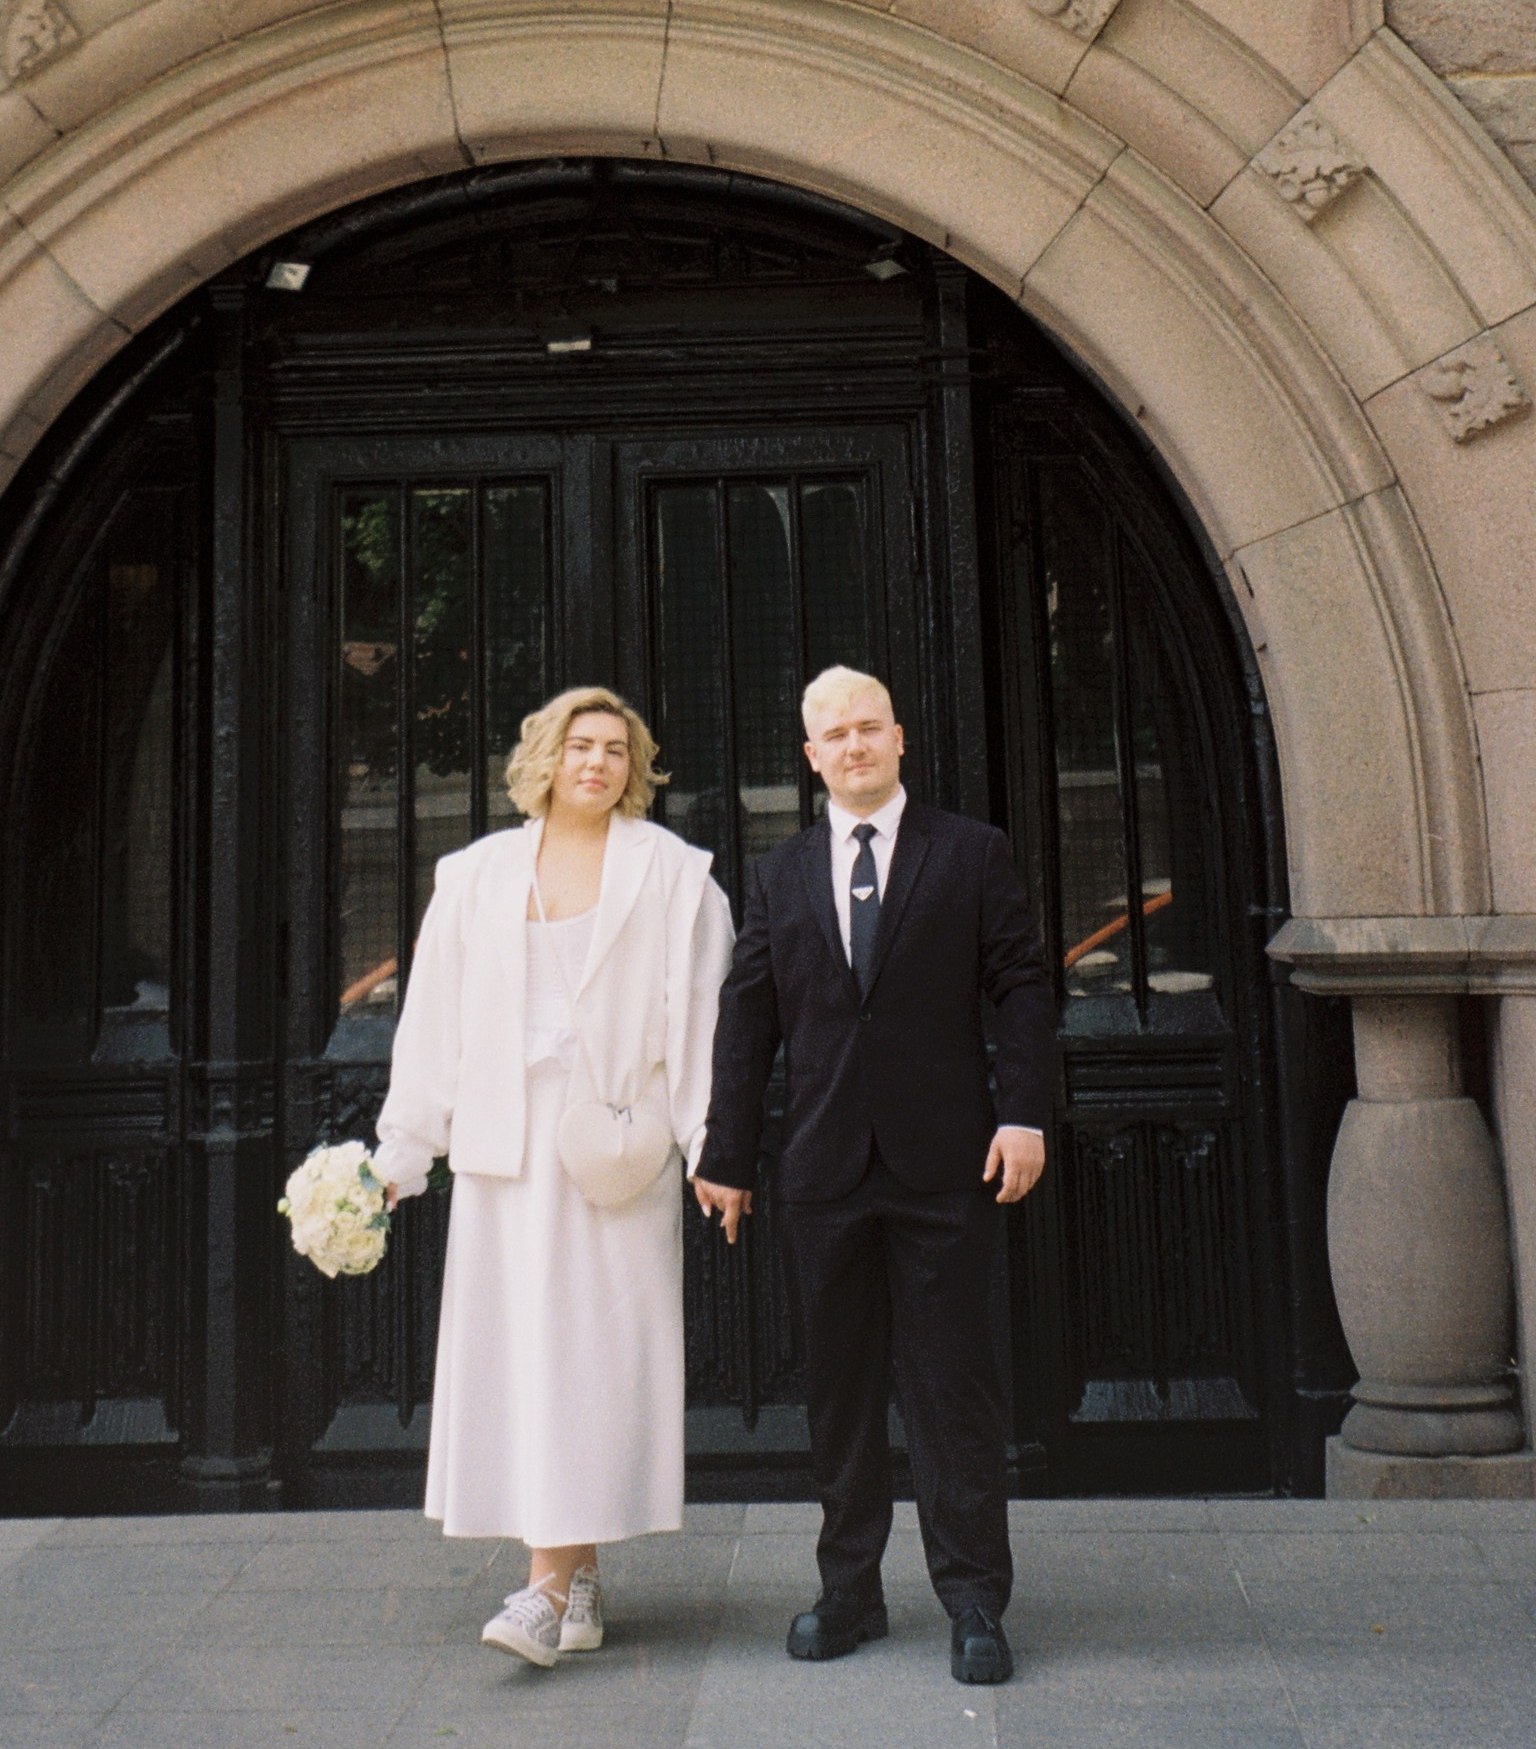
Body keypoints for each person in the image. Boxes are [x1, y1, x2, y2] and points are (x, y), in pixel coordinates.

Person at [695, 665, 1055, 1686]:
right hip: (823, 1171)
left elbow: (1021, 985)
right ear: (809, 756)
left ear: (899, 738)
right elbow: (748, 1019)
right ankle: (848, 1589)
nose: (853, 746)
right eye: (832, 735)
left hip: (947, 1166)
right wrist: (726, 1154)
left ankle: (976, 1598)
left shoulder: (971, 853)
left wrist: (1023, 1110)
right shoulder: (781, 875)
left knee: (952, 1390)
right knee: (840, 1397)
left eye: (867, 728)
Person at [374, 686, 735, 1668]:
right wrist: (401, 1153)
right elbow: (432, 1024)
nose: (598, 763)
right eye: (580, 745)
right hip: (506, 1151)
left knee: (594, 1362)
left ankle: (541, 1590)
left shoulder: (674, 874)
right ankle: (571, 1576)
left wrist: (712, 1151)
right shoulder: (476, 876)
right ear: (544, 757)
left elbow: (699, 1024)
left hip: (615, 1153)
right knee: (524, 1362)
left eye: (617, 749)